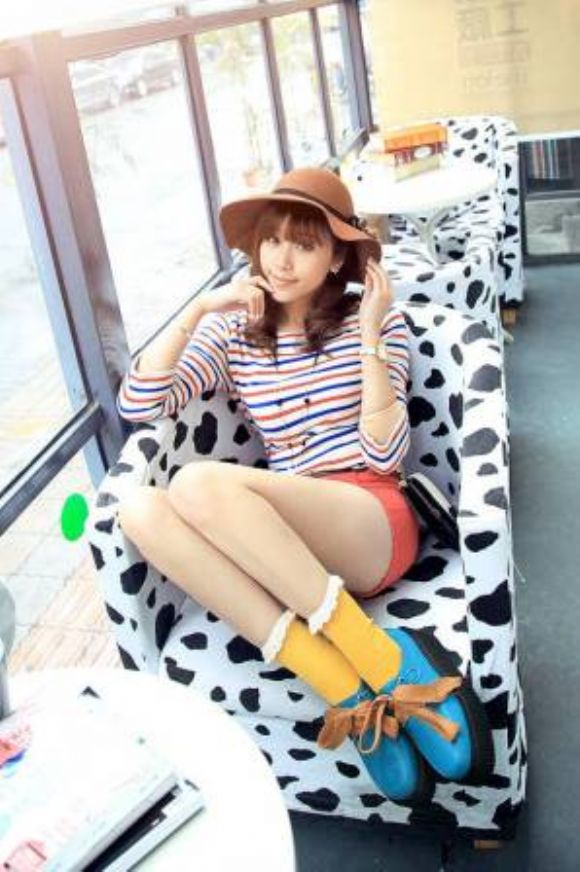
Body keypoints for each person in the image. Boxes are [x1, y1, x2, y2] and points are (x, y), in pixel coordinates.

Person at [117, 167, 493, 806]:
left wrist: (370, 334)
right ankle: (342, 686)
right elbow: (139, 402)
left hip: (368, 519)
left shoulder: (376, 323)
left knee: (198, 484)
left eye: (305, 244)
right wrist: (201, 309)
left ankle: (381, 657)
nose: (282, 260)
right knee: (140, 509)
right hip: (288, 548)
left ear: (338, 256)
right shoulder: (234, 335)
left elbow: (384, 452)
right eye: (272, 240)